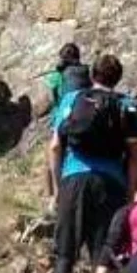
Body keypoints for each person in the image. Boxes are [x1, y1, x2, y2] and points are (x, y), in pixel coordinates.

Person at [47, 54, 137, 273]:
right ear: (117, 78)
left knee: (65, 252)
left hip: (73, 179)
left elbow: (55, 146)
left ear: (93, 75)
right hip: (111, 184)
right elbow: (135, 158)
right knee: (102, 255)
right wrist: (129, 196)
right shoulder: (127, 105)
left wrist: (56, 188)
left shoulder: (73, 98)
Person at [44, 43, 91, 204]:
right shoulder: (86, 72)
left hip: (62, 117)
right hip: (83, 118)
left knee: (53, 155)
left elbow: (55, 97)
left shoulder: (57, 75)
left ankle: (53, 196)